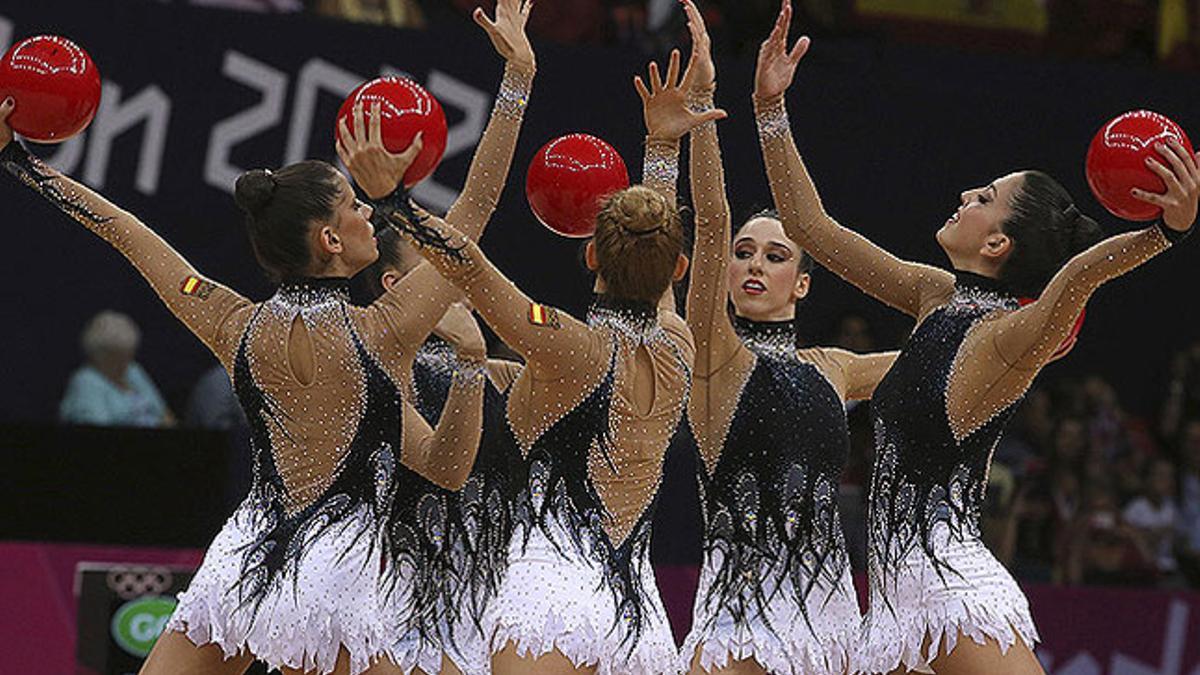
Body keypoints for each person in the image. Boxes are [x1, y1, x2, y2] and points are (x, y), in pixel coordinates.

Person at [750, 1, 1199, 672]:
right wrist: (770, 109)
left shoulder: (1012, 336)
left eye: (984, 196)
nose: (965, 193)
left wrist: (1167, 231)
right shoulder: (934, 295)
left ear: (997, 240)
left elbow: (1078, 276)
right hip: (895, 601)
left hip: (950, 588)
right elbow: (812, 230)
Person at [378, 47, 721, 675]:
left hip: (550, 596)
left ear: (591, 257)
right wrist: (662, 147)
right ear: (679, 269)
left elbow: (468, 264)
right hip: (638, 612)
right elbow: (657, 254)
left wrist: (393, 203)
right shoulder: (678, 344)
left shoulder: (562, 344)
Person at [669, 4, 895, 673]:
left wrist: (1031, 325)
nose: (753, 265)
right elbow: (710, 222)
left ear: (802, 283)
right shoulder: (713, 353)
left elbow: (944, 359)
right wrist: (705, 111)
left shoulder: (837, 368)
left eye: (775, 256)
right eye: (746, 253)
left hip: (826, 617)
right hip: (735, 610)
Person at [359, 227, 524, 675]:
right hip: (394, 613)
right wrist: (467, 355)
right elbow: (442, 469)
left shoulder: (508, 379)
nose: (459, 281)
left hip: (490, 614)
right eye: (440, 272)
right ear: (396, 286)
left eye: (462, 270)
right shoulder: (375, 377)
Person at [59, 310, 174, 428]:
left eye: (129, 355)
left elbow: (165, 414)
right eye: (119, 357)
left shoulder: (133, 370)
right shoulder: (86, 382)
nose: (126, 363)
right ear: (100, 355)